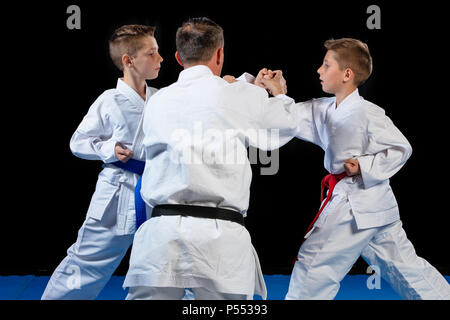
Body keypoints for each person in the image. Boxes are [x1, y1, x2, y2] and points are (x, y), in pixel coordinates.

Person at [123, 17, 298, 300]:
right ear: (220, 53)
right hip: (219, 243)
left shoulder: (157, 101)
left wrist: (240, 86)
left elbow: (204, 109)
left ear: (179, 57)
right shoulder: (237, 95)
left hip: (160, 239)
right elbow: (285, 126)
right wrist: (278, 94)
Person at [285, 38, 450, 299]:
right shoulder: (325, 108)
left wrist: (363, 166)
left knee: (313, 266)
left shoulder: (368, 112)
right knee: (407, 269)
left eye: (327, 65)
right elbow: (291, 118)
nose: (319, 70)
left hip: (354, 205)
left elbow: (401, 148)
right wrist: (276, 93)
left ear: (347, 74)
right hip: (376, 206)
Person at [41, 24, 163, 299]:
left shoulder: (161, 97)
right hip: (117, 191)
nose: (160, 58)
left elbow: (199, 96)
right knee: (86, 265)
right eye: (152, 53)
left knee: (164, 269)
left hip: (157, 190)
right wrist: (109, 149)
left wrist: (244, 82)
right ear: (128, 60)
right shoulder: (109, 100)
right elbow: (78, 142)